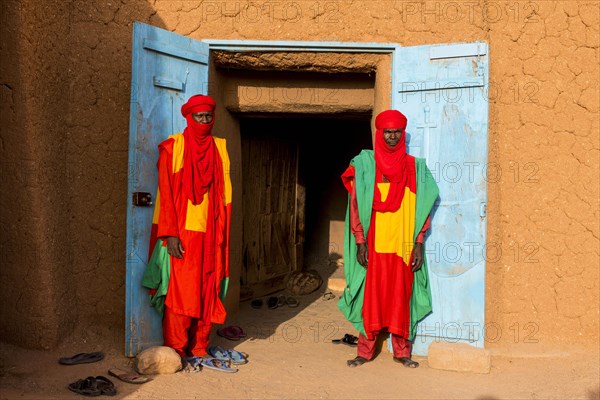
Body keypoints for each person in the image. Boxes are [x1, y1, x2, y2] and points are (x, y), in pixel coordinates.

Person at [338, 109, 438, 368]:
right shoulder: (366, 164)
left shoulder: (414, 167)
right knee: (371, 299)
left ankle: (402, 352)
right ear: (379, 133)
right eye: (388, 132)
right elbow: (356, 204)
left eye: (397, 132)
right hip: (375, 244)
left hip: (403, 245)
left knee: (400, 299)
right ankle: (365, 351)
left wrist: (418, 242)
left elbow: (423, 207)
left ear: (402, 134)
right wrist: (360, 240)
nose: (393, 137)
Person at [142, 94, 232, 360]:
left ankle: (200, 346)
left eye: (208, 116)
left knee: (209, 287)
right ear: (188, 117)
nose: (204, 121)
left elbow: (224, 196)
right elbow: (166, 193)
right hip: (183, 233)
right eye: (199, 116)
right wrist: (169, 233)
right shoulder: (173, 147)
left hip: (213, 232)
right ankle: (176, 348)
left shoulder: (219, 149)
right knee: (183, 292)